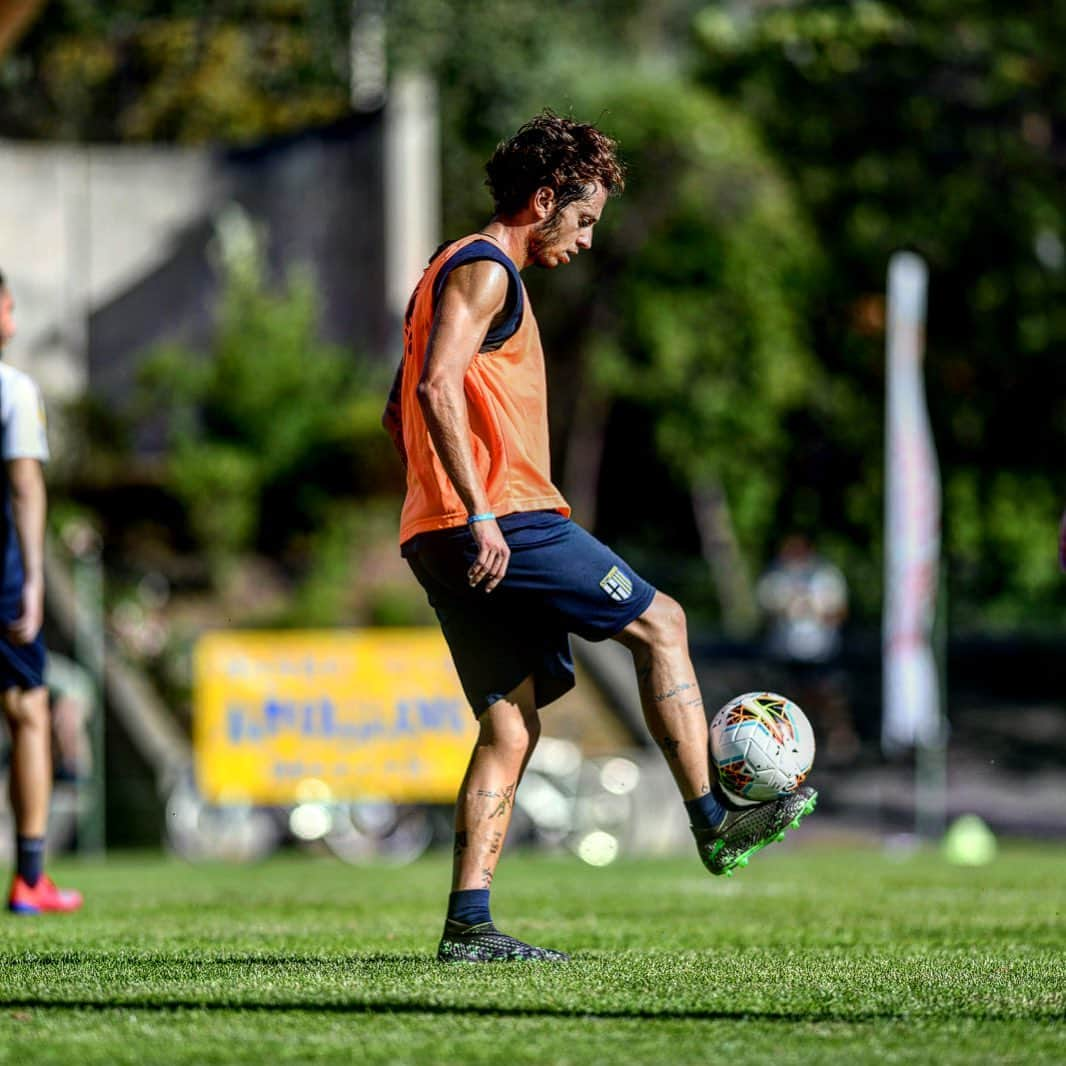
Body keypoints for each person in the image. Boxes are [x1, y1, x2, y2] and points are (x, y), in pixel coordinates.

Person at [383, 113, 815, 963]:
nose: (583, 241)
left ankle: (469, 928)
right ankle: (715, 822)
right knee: (665, 624)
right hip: (503, 520)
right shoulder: (485, 269)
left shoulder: (444, 272)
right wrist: (478, 510)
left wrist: (444, 510)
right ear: (542, 200)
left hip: (440, 531)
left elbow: (397, 409)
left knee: (510, 731)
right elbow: (433, 389)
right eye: (581, 221)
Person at [0, 270, 82, 914]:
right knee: (28, 711)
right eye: (8, 305)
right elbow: (26, 489)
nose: (15, 318)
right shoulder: (13, 390)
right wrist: (31, 583)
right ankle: (30, 875)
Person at [756, 534, 858, 764]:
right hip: (786, 650)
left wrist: (816, 611)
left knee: (830, 695)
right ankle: (786, 742)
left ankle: (839, 738)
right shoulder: (775, 577)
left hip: (820, 648)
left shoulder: (825, 577)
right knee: (786, 698)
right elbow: (765, 611)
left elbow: (840, 611)